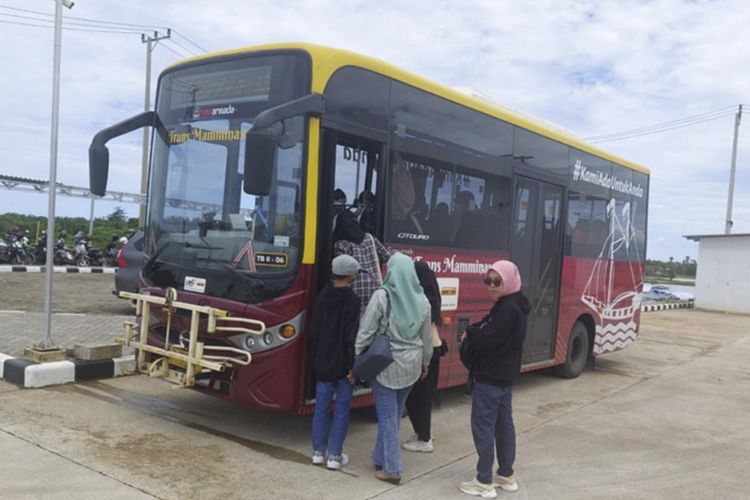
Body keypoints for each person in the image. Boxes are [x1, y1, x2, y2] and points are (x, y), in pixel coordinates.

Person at [355, 252, 433, 485]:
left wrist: (357, 356)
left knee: (388, 417)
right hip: (412, 364)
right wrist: (425, 362)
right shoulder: (422, 300)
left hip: (386, 363)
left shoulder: (382, 296)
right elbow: (426, 338)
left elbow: (366, 331)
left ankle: (393, 469)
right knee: (394, 415)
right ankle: (380, 457)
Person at [459, 260, 530, 498]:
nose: (491, 286)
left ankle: (483, 481)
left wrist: (470, 333)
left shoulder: (508, 309)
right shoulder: (513, 304)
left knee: (483, 428)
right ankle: (506, 475)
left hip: (490, 378)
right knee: (503, 427)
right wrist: (475, 331)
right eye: (487, 281)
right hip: (504, 377)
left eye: (496, 281)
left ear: (508, 281)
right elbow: (488, 328)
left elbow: (488, 338)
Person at [310, 254, 361, 470]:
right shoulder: (352, 300)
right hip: (343, 364)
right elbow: (351, 335)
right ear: (351, 275)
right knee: (341, 409)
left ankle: (318, 452)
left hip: (322, 361)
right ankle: (335, 456)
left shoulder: (322, 295)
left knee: (321, 407)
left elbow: (314, 331)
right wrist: (353, 366)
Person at [403, 261, 446, 453]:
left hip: (426, 352)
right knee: (424, 396)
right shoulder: (433, 298)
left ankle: (424, 439)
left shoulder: (422, 300)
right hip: (435, 349)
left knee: (418, 397)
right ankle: (422, 433)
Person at [333, 210, 391, 313]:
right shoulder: (370, 238)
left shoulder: (341, 244)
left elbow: (341, 270)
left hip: (354, 290)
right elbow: (387, 257)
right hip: (374, 288)